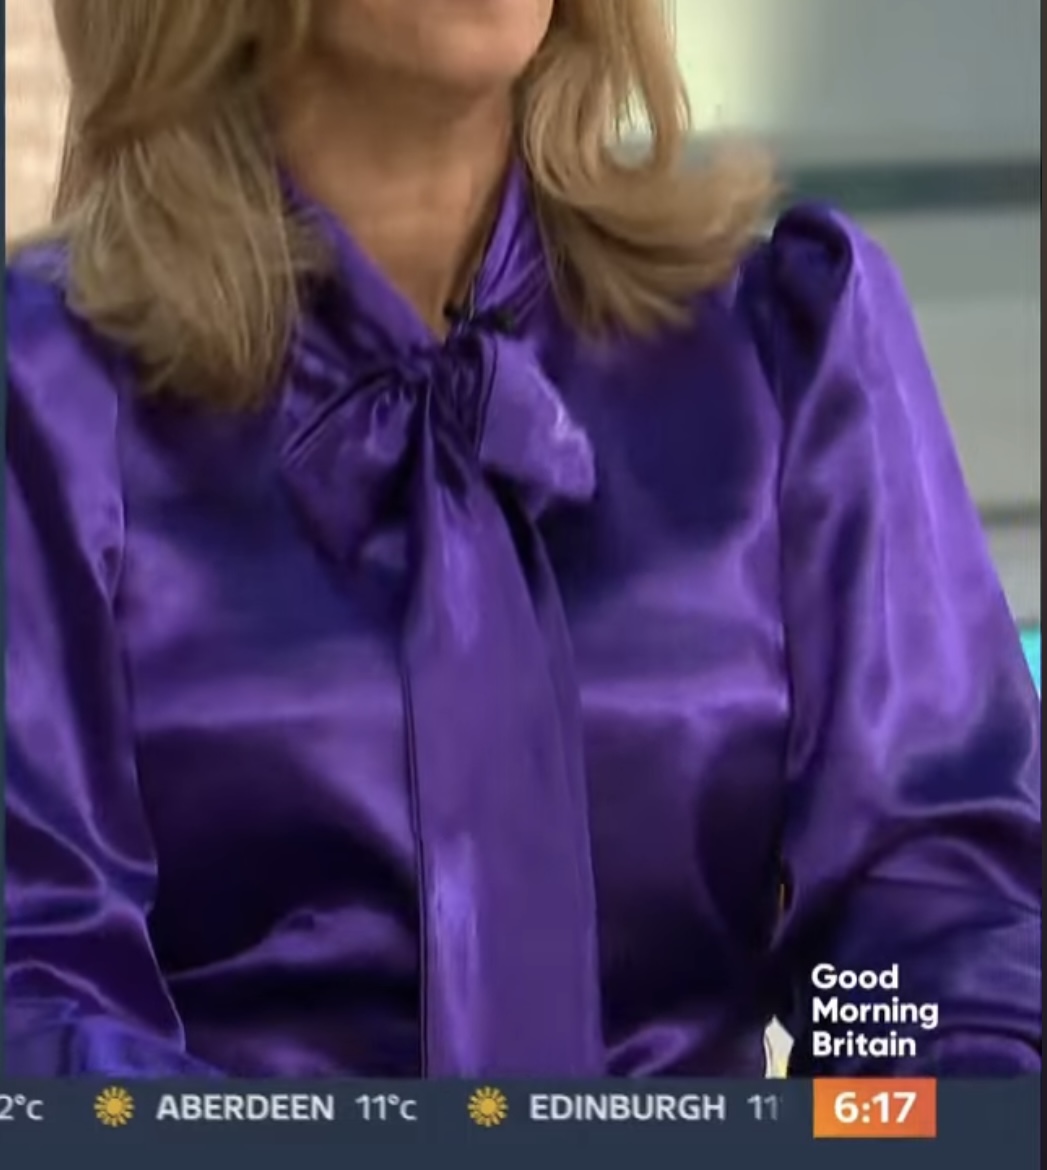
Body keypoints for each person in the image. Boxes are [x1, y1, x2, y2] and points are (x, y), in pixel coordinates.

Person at [5, 0, 1040, 1079]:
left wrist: (902, 1118)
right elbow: (31, 992)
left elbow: (945, 924)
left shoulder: (786, 351)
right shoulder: (43, 396)